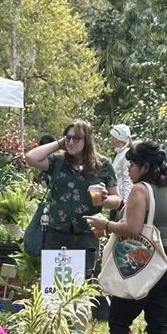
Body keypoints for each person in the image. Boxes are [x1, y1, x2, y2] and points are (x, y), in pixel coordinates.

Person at [84, 142, 167, 334]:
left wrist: (105, 224)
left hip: (143, 259)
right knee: (159, 324)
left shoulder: (141, 189)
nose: (129, 169)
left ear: (145, 166)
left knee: (119, 320)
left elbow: (133, 228)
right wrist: (166, 259)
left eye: (132, 164)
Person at [25, 119, 120, 279]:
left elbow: (116, 200)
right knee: (53, 282)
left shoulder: (102, 164)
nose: (71, 142)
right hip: (57, 232)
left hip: (87, 233)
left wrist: (104, 199)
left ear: (87, 140)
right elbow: (30, 157)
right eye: (67, 137)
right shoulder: (58, 162)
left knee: (82, 282)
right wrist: (59, 143)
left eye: (76, 138)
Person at [108, 124, 134, 203]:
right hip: (117, 198)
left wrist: (126, 200)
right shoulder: (119, 153)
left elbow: (127, 178)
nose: (110, 138)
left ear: (117, 139)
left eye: (112, 136)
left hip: (122, 201)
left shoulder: (126, 155)